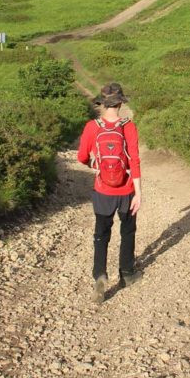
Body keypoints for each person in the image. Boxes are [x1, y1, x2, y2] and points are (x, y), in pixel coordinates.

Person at [77, 82, 143, 303]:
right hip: (126, 189)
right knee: (128, 231)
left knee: (101, 234)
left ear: (103, 104)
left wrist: (94, 166)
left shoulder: (92, 126)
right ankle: (127, 274)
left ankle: (100, 276)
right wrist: (139, 192)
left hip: (102, 189)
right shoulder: (129, 127)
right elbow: (134, 160)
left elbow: (81, 157)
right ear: (120, 103)